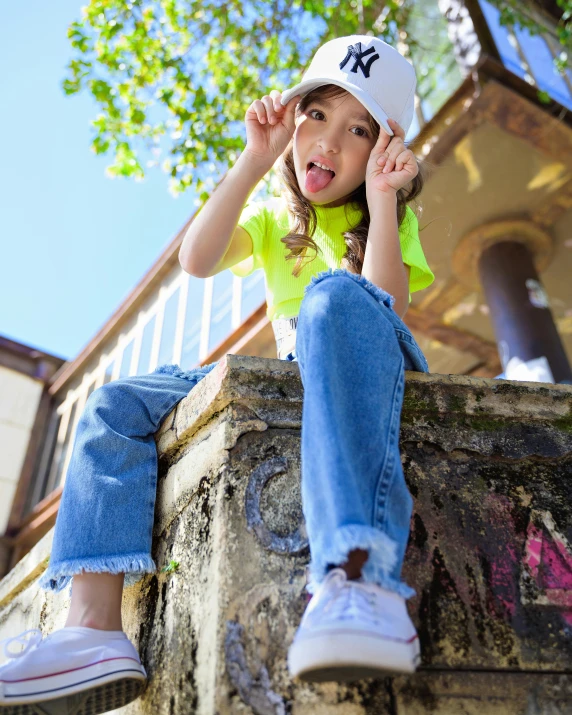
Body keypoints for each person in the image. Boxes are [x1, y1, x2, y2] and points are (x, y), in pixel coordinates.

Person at [0, 34, 434, 713]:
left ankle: (359, 579)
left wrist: (382, 202)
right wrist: (252, 158)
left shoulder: (383, 220)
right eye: (316, 114)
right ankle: (91, 627)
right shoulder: (273, 214)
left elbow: (384, 306)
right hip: (289, 370)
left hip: (362, 367)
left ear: (384, 151)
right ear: (293, 120)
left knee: (333, 298)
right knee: (116, 403)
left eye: (360, 130)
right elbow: (196, 259)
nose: (330, 140)